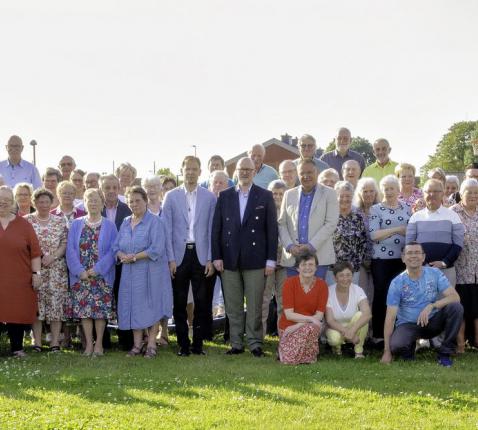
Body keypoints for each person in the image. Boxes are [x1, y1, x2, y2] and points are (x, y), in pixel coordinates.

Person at [212, 157, 278, 357]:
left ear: (254, 172)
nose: (245, 172)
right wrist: (216, 256)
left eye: (249, 169)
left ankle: (255, 343)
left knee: (255, 304)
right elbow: (217, 229)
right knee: (233, 305)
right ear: (236, 171)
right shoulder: (224, 196)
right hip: (229, 259)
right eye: (242, 169)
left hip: (256, 260)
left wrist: (270, 260)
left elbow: (271, 230)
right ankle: (236, 343)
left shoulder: (264, 196)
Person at [163, 156, 217, 356]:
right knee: (179, 302)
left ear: (200, 172)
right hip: (179, 255)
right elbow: (166, 230)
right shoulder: (171, 196)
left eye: (195, 169)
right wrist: (170, 259)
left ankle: (198, 345)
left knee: (202, 303)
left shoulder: (209, 197)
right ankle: (183, 345)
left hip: (201, 255)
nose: (191, 172)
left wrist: (211, 258)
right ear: (182, 170)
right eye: (188, 169)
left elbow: (212, 230)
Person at [113, 186, 173, 358]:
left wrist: (134, 257)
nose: (134, 204)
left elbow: (157, 249)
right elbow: (115, 246)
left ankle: (152, 344)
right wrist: (121, 254)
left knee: (150, 306)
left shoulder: (156, 222)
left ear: (146, 201)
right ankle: (137, 345)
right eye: (130, 201)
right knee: (133, 306)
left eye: (137, 200)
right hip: (129, 274)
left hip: (150, 272)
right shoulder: (125, 222)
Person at [381, 242, 463, 367]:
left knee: (456, 307)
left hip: (433, 322)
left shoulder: (435, 274)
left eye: (417, 252)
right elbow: (390, 318)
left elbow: (455, 297)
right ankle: (409, 349)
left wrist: (432, 306)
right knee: (396, 346)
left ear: (423, 257)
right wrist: (387, 352)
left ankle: (444, 353)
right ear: (403, 258)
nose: (413, 256)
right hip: (408, 325)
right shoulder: (396, 283)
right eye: (409, 253)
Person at [66, 188, 118, 356]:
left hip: (101, 276)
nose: (93, 203)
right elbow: (70, 250)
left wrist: (97, 270)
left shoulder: (110, 225)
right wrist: (79, 271)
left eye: (96, 200)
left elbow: (113, 251)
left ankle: (99, 345)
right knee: (85, 312)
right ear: (85, 203)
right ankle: (89, 344)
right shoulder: (76, 224)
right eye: (90, 200)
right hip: (81, 277)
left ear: (102, 204)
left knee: (100, 312)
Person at [278, 159, 339, 280]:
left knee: (316, 296)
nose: (306, 176)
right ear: (297, 175)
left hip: (318, 258)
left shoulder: (330, 194)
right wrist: (290, 246)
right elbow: (282, 224)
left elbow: (331, 224)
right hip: (293, 258)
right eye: (302, 173)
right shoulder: (289, 194)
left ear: (316, 173)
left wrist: (311, 246)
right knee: (294, 296)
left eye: (310, 172)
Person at [25, 188, 69, 352]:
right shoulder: (26, 221)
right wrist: (40, 257)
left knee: (56, 306)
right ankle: (37, 341)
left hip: (56, 270)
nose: (43, 205)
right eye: (40, 202)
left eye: (46, 202)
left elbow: (65, 243)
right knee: (36, 305)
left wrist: (54, 256)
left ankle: (55, 342)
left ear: (52, 203)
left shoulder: (60, 221)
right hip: (35, 269)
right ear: (34, 203)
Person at [0, 186, 42, 357]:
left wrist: (36, 274)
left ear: (12, 203)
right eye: (0, 199)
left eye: (7, 200)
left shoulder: (24, 225)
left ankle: (17, 348)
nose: (2, 203)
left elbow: (35, 253)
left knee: (16, 311)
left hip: (19, 278)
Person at [369, 175, 411, 340]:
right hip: (381, 260)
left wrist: (400, 230)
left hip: (402, 259)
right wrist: (397, 229)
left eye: (392, 188)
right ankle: (379, 335)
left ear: (398, 189)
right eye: (385, 188)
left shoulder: (407, 208)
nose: (388, 191)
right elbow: (374, 235)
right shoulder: (376, 209)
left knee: (401, 296)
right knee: (381, 295)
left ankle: (398, 334)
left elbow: (411, 231)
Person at [406, 179, 464, 286]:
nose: (432, 194)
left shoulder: (453, 216)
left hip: (446, 271)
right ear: (423, 194)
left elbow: (458, 244)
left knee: (446, 302)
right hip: (421, 270)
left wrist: (444, 262)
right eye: (428, 191)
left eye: (436, 191)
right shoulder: (415, 217)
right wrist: (422, 264)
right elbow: (409, 245)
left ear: (442, 193)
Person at [99, 174, 133, 350]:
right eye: (107, 188)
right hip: (101, 264)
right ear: (101, 189)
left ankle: (126, 341)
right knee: (102, 301)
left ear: (119, 189)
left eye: (114, 187)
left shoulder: (128, 210)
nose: (111, 191)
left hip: (123, 263)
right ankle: (103, 341)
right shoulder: (95, 209)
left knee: (123, 301)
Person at [278, 252, 328, 365]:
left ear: (316, 267)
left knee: (311, 328)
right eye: (303, 265)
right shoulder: (289, 283)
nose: (307, 268)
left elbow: (319, 316)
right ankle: (292, 354)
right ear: (297, 268)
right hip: (288, 327)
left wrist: (301, 324)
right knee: (310, 327)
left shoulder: (322, 285)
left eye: (311, 264)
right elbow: (289, 315)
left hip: (309, 326)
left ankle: (303, 355)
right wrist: (309, 320)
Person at [450, 179, 478, 351]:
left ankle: (476, 340)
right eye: (470, 192)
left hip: (477, 270)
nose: (474, 196)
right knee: (461, 307)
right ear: (461, 193)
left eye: (477, 193)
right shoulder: (453, 212)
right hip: (460, 268)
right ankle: (460, 344)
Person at [325, 261, 372, 358]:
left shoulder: (358, 289)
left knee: (361, 315)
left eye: (348, 275)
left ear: (352, 276)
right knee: (334, 339)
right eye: (341, 275)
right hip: (336, 327)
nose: (345, 279)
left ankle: (359, 351)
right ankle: (337, 349)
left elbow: (367, 314)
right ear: (335, 278)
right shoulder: (328, 291)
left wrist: (352, 331)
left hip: (352, 327)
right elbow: (330, 320)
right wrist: (347, 333)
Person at [325, 181, 367, 286]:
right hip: (332, 268)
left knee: (352, 299)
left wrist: (359, 262)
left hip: (352, 269)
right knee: (332, 298)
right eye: (341, 196)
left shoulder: (358, 217)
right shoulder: (329, 216)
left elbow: (363, 242)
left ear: (352, 196)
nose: (345, 199)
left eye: (348, 196)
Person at [262, 180, 288, 335]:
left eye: (281, 194)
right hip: (266, 262)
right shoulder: (263, 211)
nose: (277, 197)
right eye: (274, 194)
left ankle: (284, 335)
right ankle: (259, 337)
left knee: (284, 301)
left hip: (285, 262)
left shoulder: (291, 212)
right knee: (263, 300)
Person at [353, 177, 381, 303]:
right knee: (361, 293)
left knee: (376, 293)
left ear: (376, 193)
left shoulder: (381, 210)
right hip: (360, 261)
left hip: (379, 259)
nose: (368, 194)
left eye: (371, 191)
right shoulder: (354, 212)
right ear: (359, 193)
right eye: (365, 191)